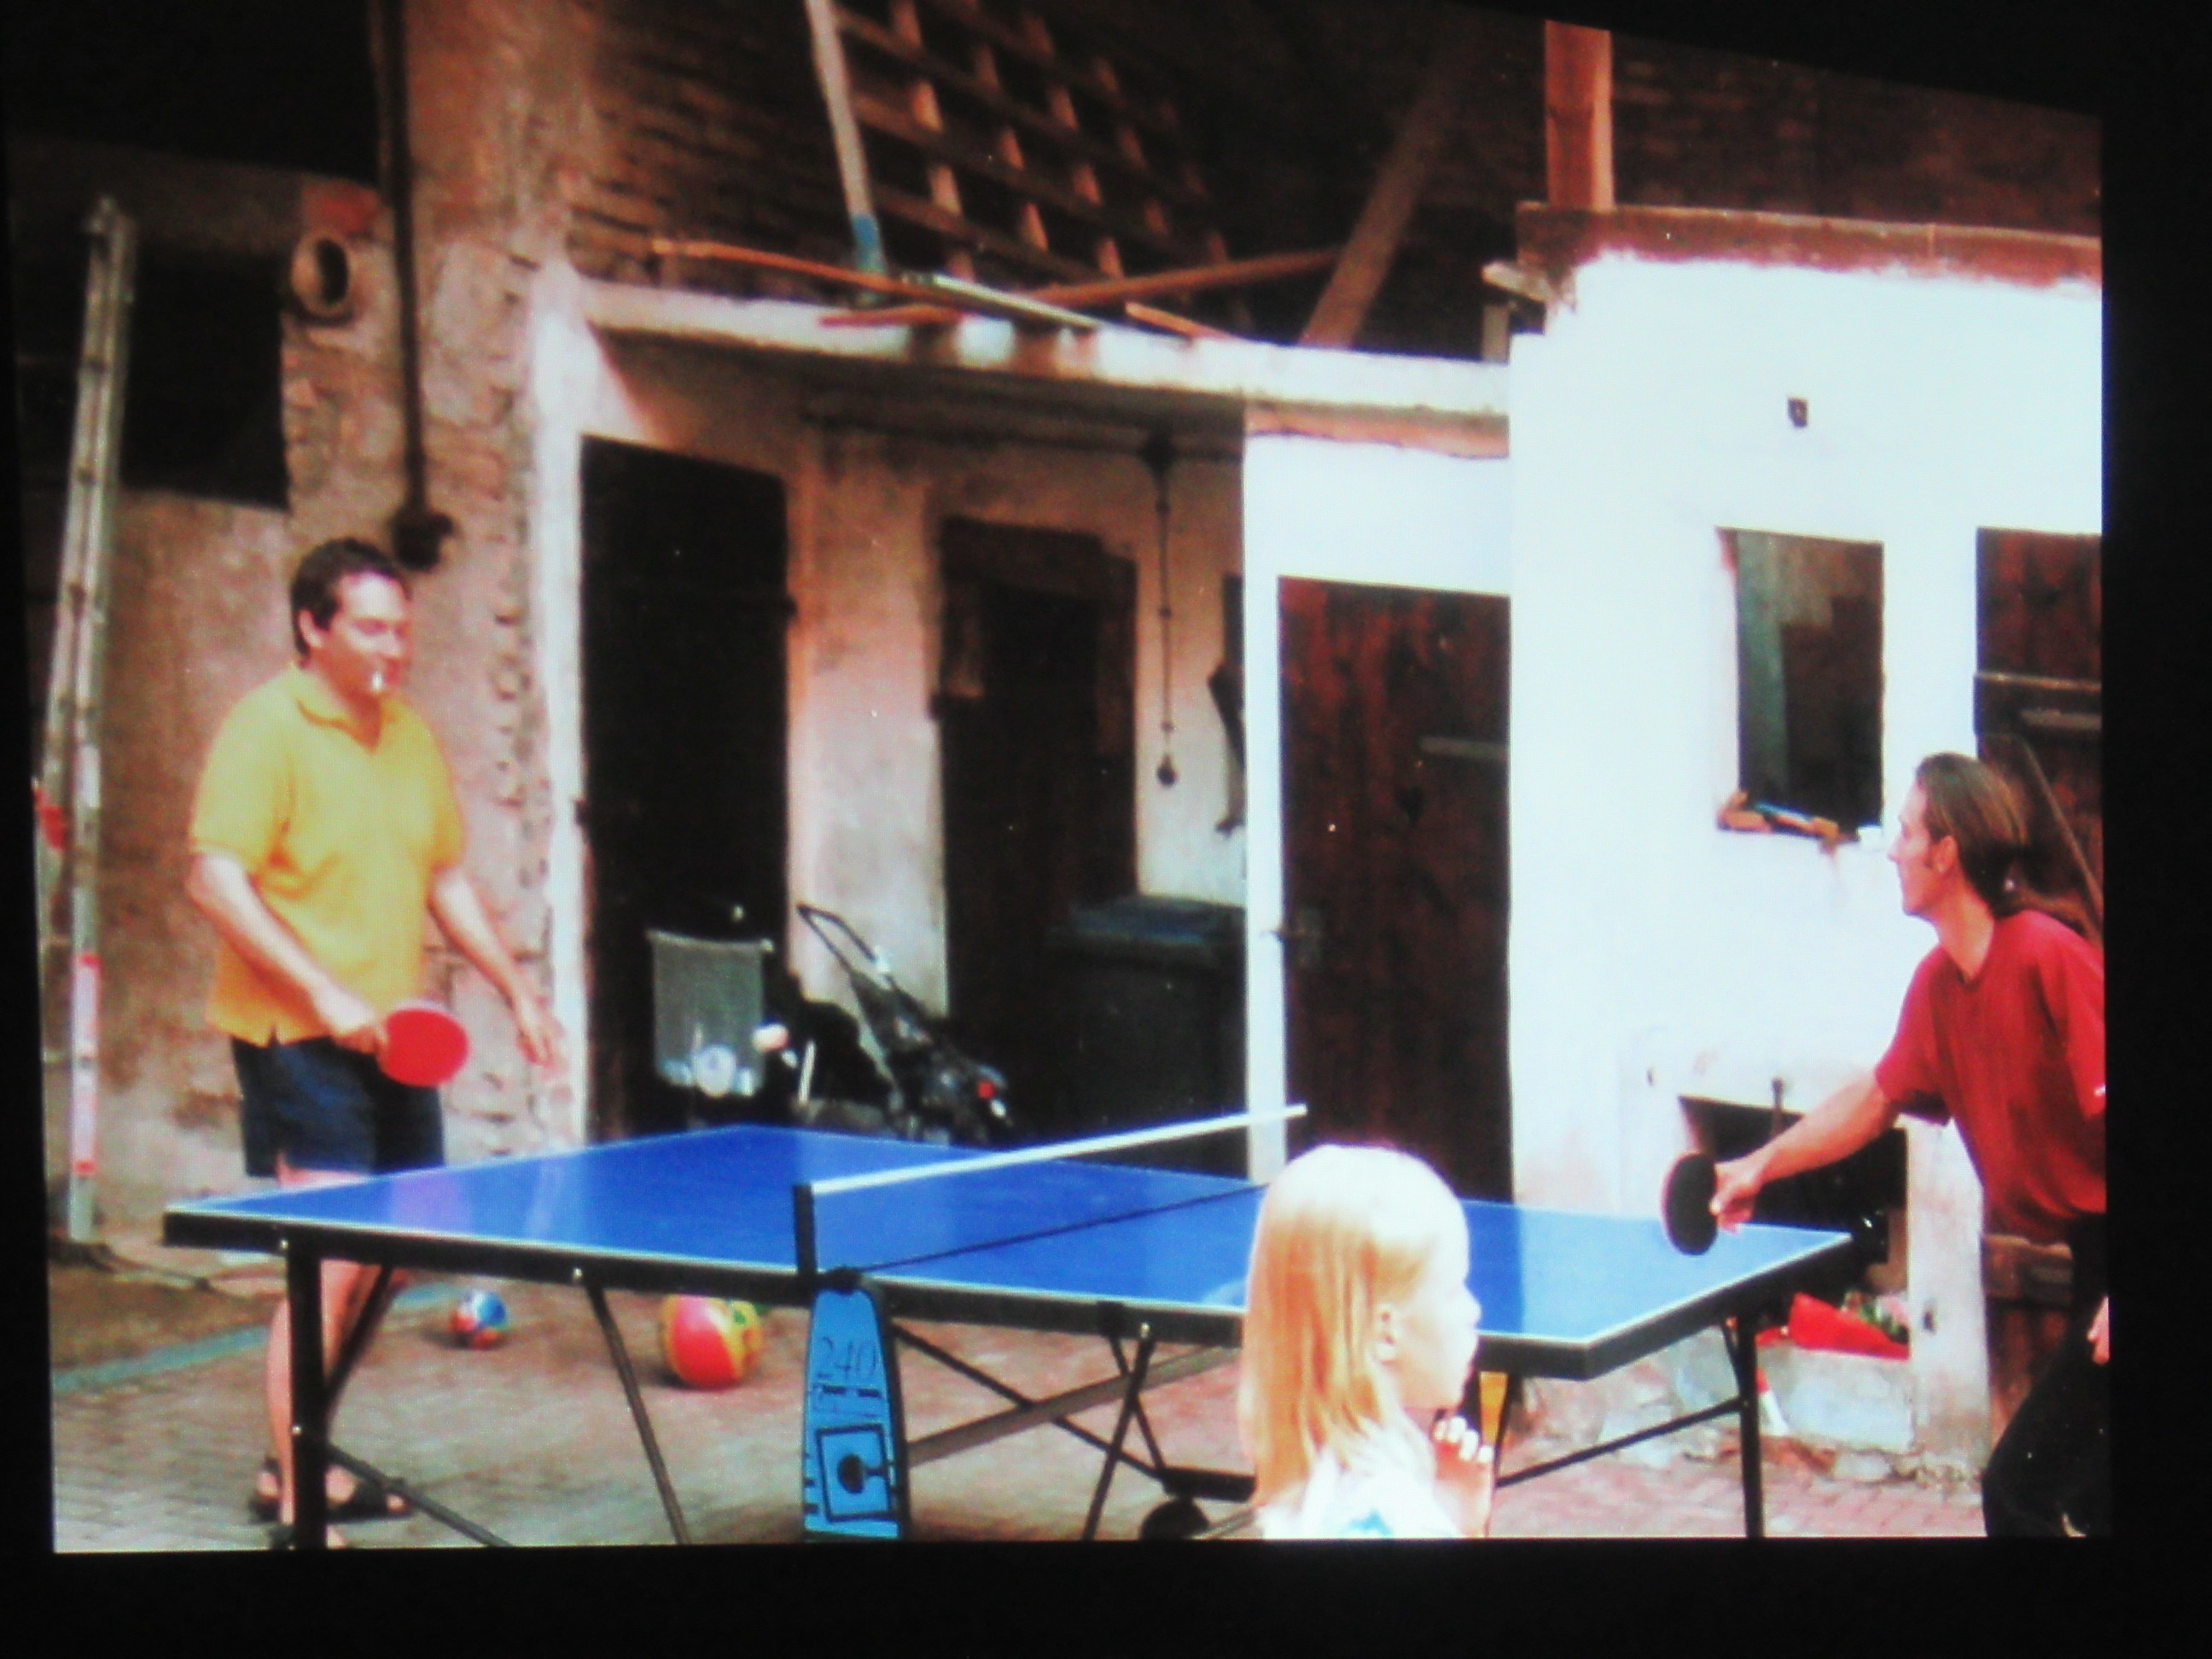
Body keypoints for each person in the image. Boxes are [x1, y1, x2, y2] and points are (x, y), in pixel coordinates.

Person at [186, 538, 563, 1545]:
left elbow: (443, 878)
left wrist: (517, 990)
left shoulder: (409, 736)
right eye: (371, 628)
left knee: (394, 1257)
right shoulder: (265, 729)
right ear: (312, 626)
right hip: (296, 1036)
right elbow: (212, 879)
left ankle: (296, 1459)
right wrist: (320, 988)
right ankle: (300, 1505)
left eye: (402, 629)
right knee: (330, 1264)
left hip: (393, 1040)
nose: (394, 648)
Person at [1710, 752, 2105, 1536]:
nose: (1892, 851)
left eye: (1906, 831)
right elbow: (1873, 1102)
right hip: (2092, 1253)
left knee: (2021, 1493)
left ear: (1946, 851)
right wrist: (1758, 1164)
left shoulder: (2048, 957)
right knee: (2080, 1503)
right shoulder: (1938, 988)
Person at [1237, 1143, 1493, 1539]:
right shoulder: (1390, 1516)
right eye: (1454, 1289)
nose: (1473, 1310)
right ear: (1385, 1332)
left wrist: (1450, 1517)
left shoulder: (1314, 1486)